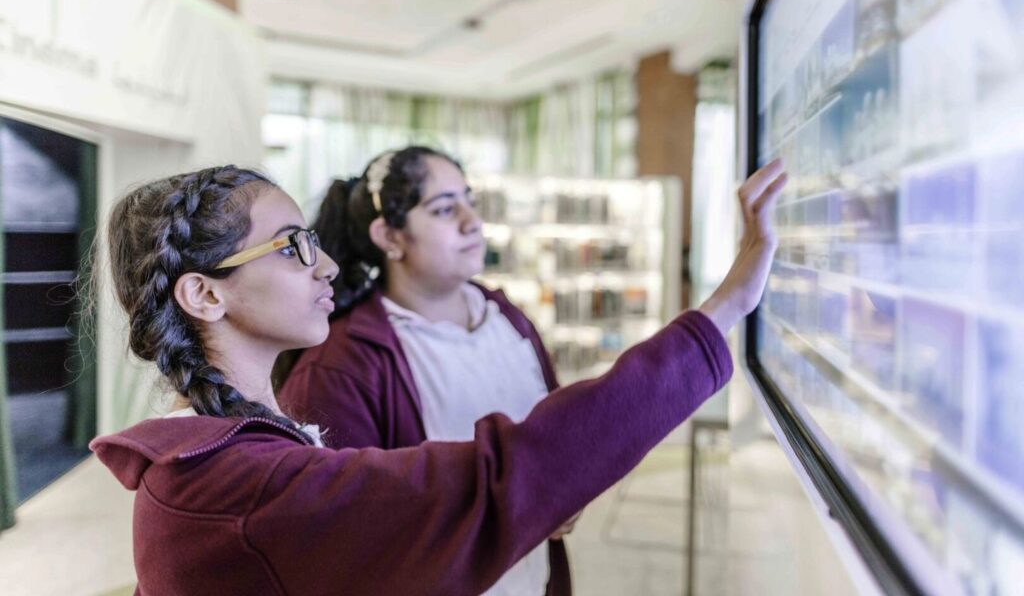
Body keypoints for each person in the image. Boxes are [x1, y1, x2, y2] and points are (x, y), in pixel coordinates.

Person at [90, 159, 786, 596]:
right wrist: (724, 308)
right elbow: (495, 480)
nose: (327, 266)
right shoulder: (237, 483)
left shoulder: (223, 457)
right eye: (293, 247)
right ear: (205, 295)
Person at [276, 146, 574, 596]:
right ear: (389, 235)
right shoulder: (341, 368)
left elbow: (556, 434)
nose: (472, 221)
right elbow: (340, 537)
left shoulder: (509, 319)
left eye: (469, 200)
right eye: (444, 208)